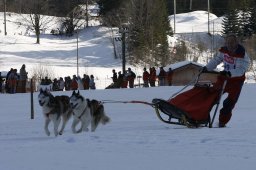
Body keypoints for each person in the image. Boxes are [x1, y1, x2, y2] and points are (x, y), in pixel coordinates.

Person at [203, 33, 250, 127]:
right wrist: (207, 68)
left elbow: (241, 70)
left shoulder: (242, 54)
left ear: (236, 43)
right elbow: (217, 60)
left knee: (229, 103)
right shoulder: (224, 51)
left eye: (232, 43)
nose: (229, 45)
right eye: (228, 43)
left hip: (236, 81)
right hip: (224, 77)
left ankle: (222, 122)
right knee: (212, 96)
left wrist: (230, 73)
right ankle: (201, 116)